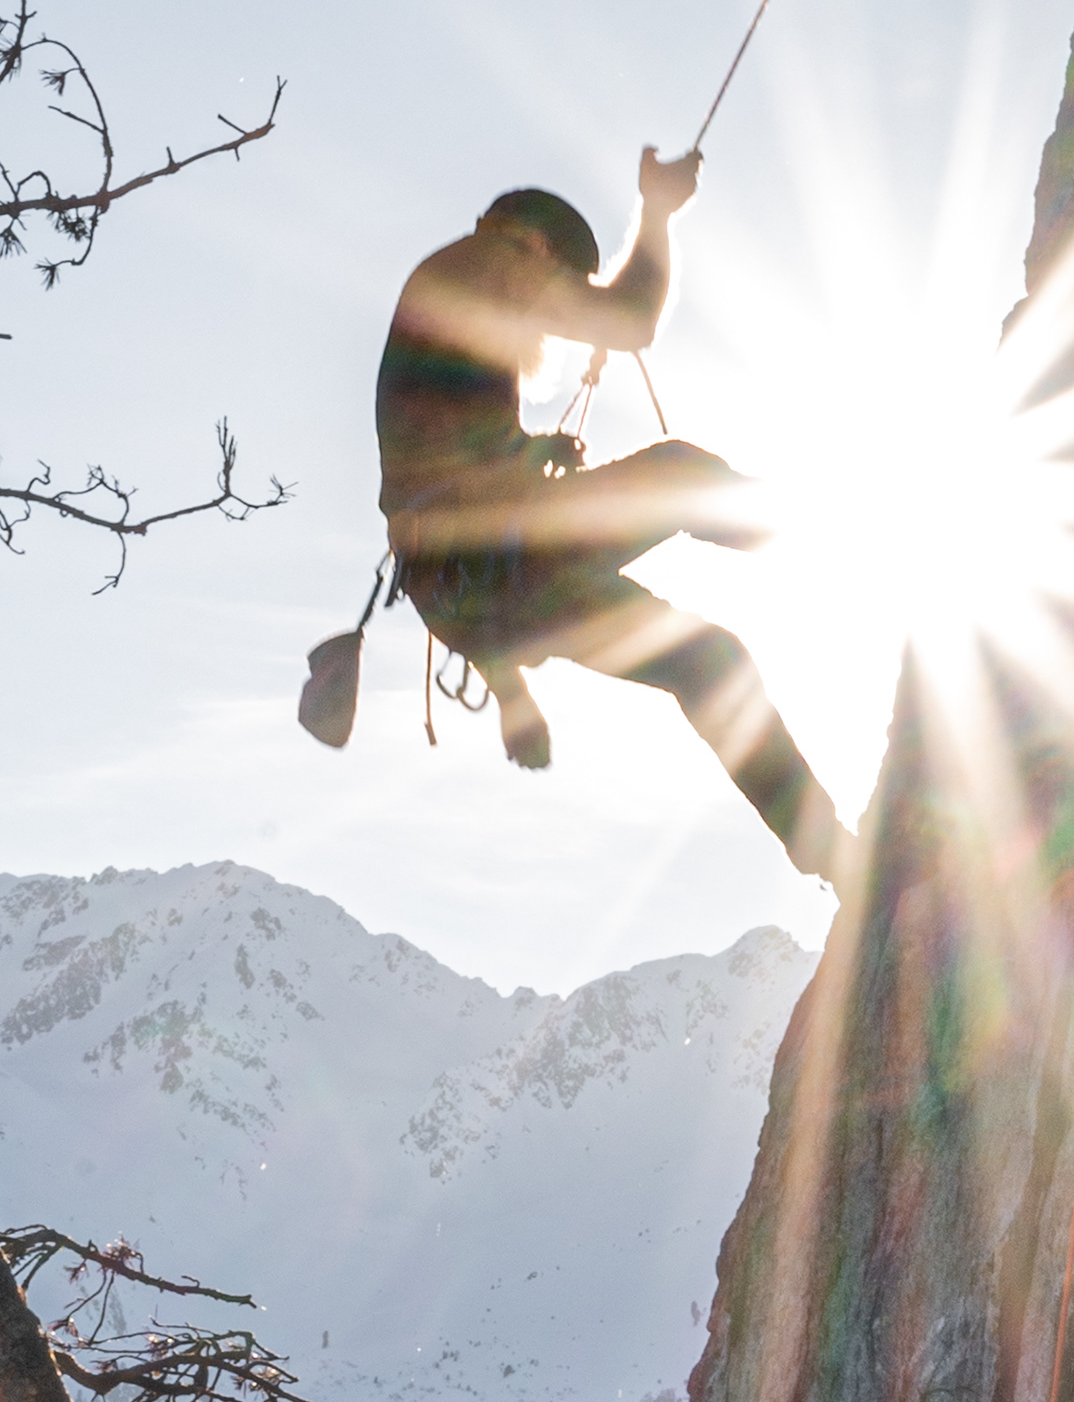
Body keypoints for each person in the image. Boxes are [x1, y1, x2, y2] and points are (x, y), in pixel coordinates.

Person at [329, 145, 851, 881]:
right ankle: (845, 540)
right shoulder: (486, 263)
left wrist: (514, 698)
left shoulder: (443, 309)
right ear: (535, 246)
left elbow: (442, 496)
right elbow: (630, 320)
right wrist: (660, 210)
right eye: (564, 281)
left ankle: (833, 859)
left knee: (707, 661)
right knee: (678, 474)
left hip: (472, 590)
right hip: (506, 560)